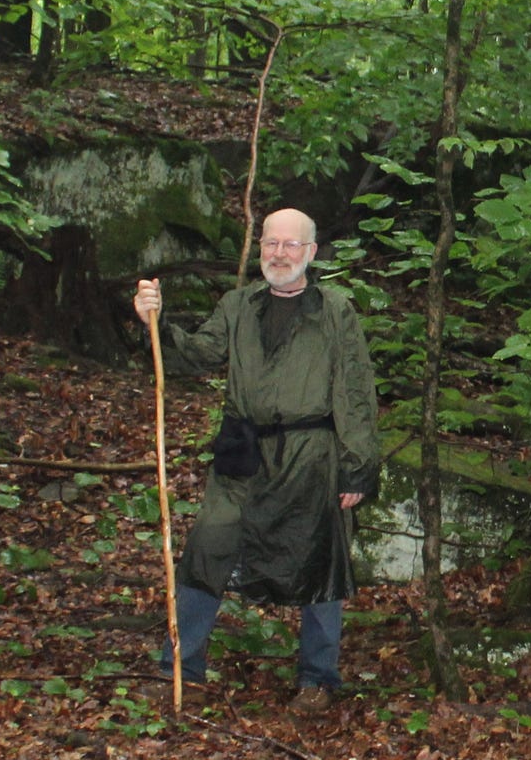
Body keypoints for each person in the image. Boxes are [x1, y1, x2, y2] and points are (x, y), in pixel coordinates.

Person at [132, 207, 381, 714]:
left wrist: (357, 465)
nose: (279, 254)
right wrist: (153, 322)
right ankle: (180, 669)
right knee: (207, 549)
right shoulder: (239, 304)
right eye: (271, 243)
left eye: (291, 245)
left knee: (321, 560)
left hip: (309, 456)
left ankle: (317, 678)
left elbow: (354, 391)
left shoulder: (334, 311)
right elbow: (196, 354)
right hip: (242, 453)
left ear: (311, 252)